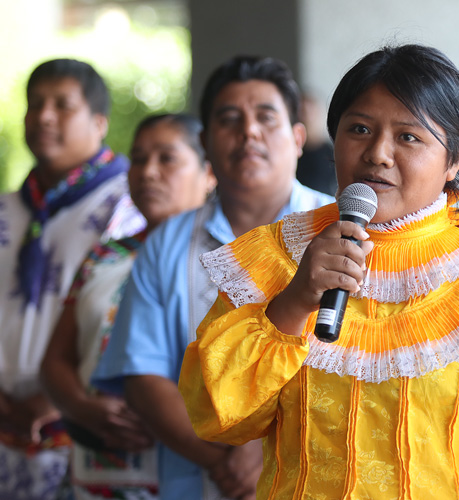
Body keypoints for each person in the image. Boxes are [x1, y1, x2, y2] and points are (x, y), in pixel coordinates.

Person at [177, 44, 459, 500]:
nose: (378, 154)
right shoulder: (274, 257)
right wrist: (293, 302)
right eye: (360, 129)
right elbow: (214, 415)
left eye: (408, 137)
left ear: (454, 159)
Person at [91, 56, 334, 500]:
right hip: (197, 479)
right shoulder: (168, 242)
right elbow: (144, 376)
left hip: (309, 476)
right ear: (205, 142)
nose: (249, 132)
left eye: (266, 117)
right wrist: (225, 459)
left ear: (298, 137)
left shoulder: (340, 234)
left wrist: (266, 453)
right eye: (229, 119)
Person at [40, 113, 216, 500]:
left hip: (191, 475)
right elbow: (55, 361)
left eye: (167, 158)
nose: (148, 172)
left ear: (209, 173)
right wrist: (85, 408)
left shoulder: (225, 260)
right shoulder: (106, 255)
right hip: (94, 475)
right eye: (138, 159)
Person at [0, 58, 144, 500]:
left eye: (62, 105)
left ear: (99, 122)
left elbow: (124, 316)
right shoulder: (7, 207)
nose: (43, 116)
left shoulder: (128, 206)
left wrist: (56, 398)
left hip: (79, 428)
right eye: (35, 104)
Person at [295, 92, 336, 195]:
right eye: (303, 112)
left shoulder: (332, 152)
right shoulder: (289, 152)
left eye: (310, 112)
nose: (307, 118)